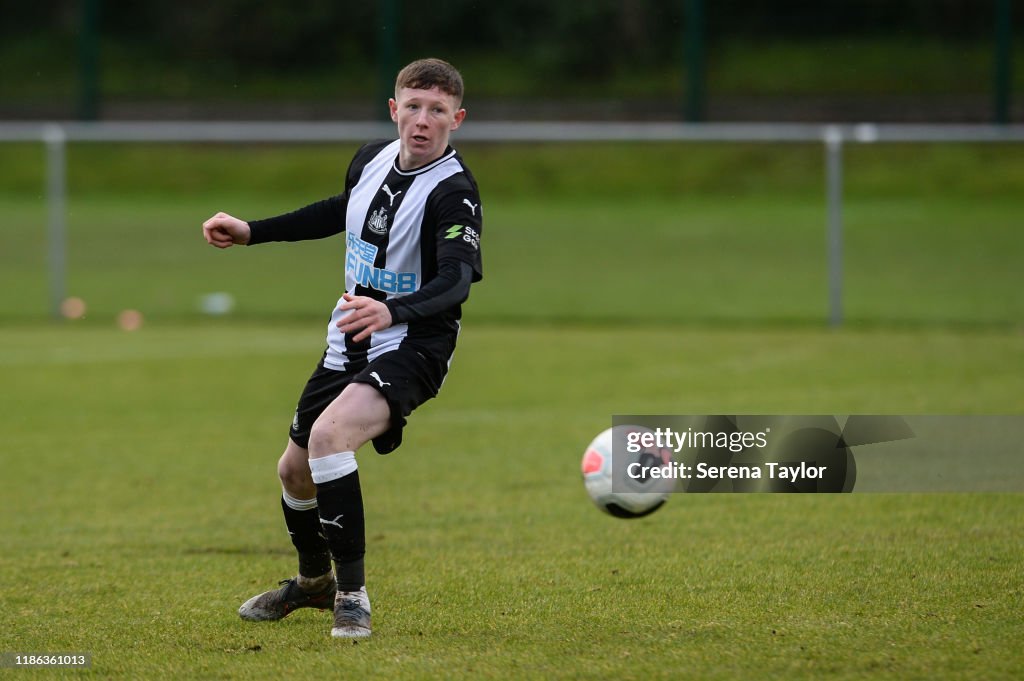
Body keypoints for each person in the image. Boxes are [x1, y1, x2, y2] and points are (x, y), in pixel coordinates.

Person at [201, 58, 483, 640]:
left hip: (415, 343)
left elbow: (456, 278)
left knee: (332, 439)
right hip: (350, 336)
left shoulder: (454, 193)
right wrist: (254, 230)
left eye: (436, 111)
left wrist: (393, 309)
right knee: (295, 471)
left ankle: (352, 597)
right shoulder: (369, 159)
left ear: (456, 119)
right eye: (413, 106)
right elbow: (341, 212)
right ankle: (312, 585)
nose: (422, 121)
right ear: (393, 109)